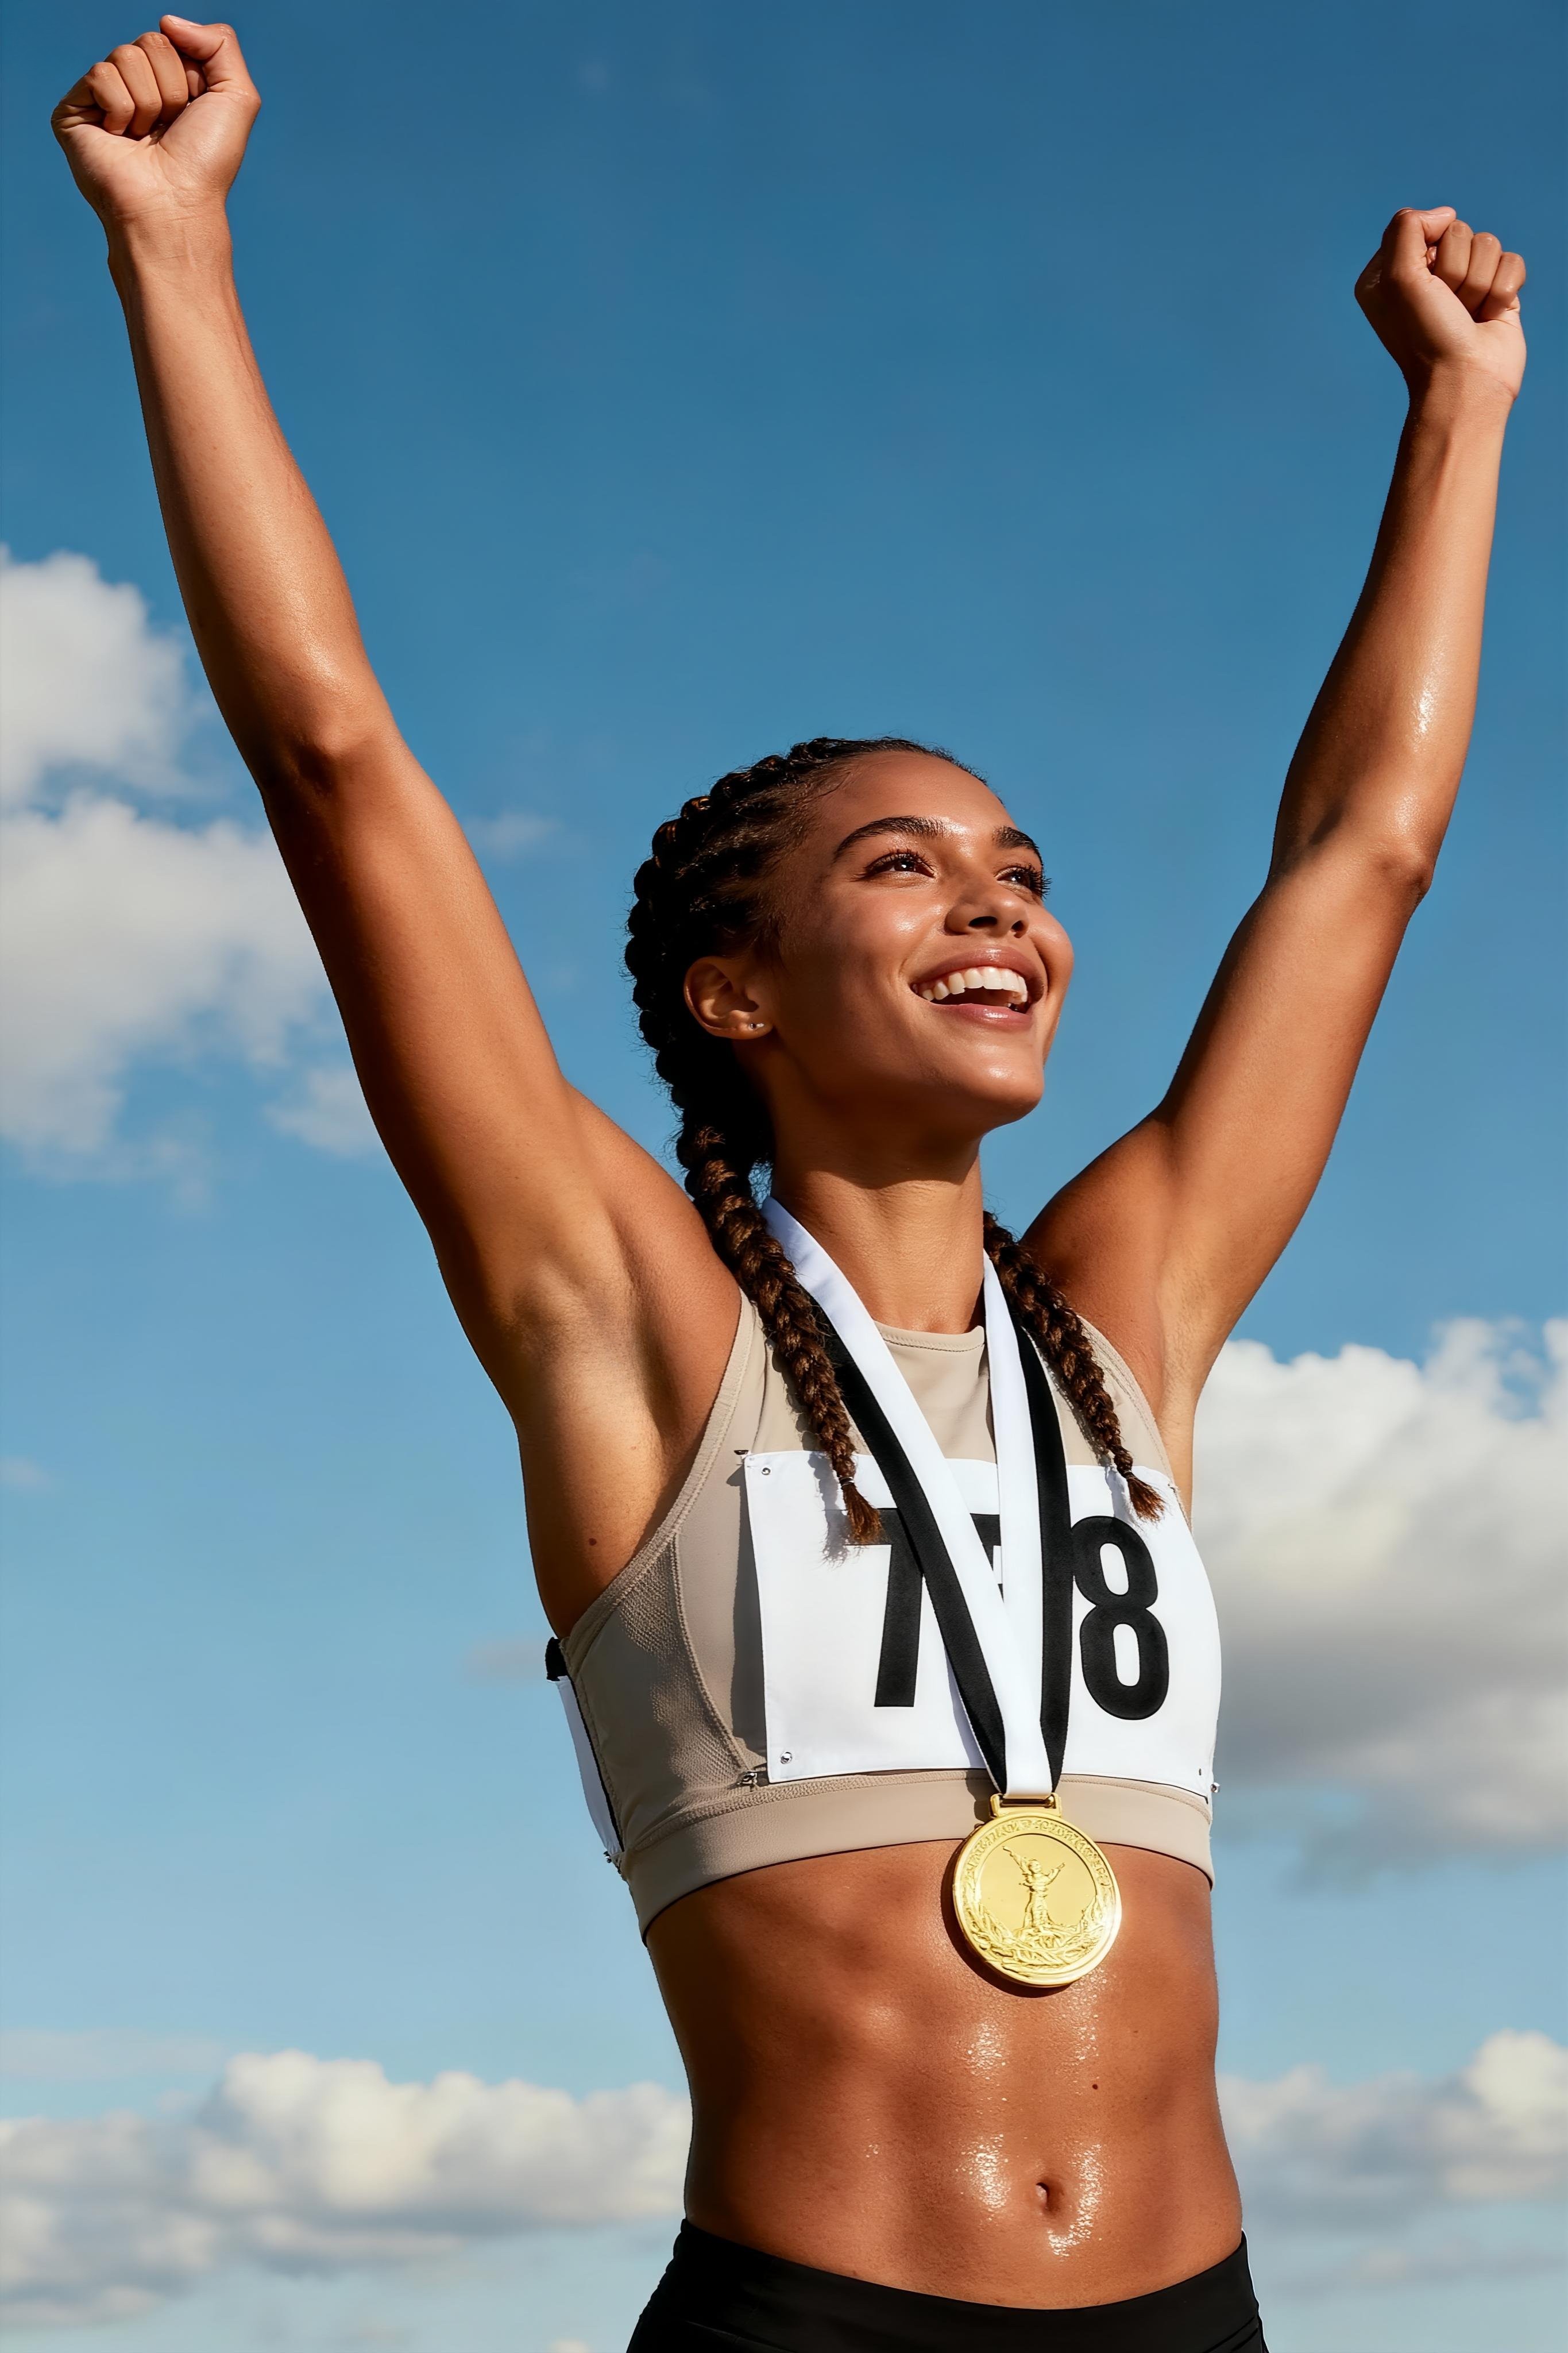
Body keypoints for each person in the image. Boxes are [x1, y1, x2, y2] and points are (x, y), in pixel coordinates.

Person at [53, 21, 1527, 2352]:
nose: (999, 913)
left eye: (1020, 874)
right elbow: (334, 761)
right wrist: (176, 251)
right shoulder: (632, 1314)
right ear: (731, 991)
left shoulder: (1116, 1320)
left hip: (1199, 2312)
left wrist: (1458, 415)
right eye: (905, 869)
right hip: (815, 2320)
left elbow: (1366, 852)